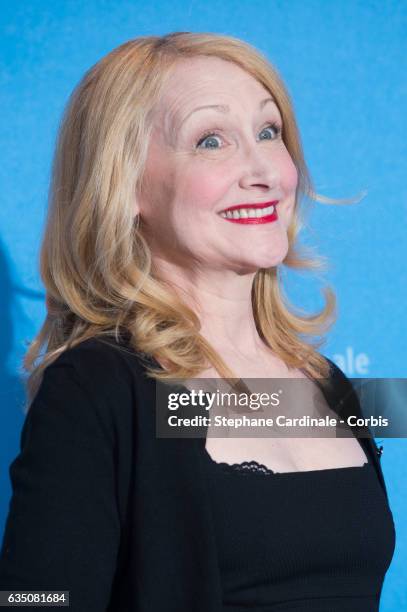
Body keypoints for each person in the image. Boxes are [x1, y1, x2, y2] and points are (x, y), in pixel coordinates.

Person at [0, 32, 395, 611]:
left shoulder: (329, 384)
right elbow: (36, 600)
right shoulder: (98, 389)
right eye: (211, 141)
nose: (263, 169)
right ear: (126, 183)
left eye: (269, 132)